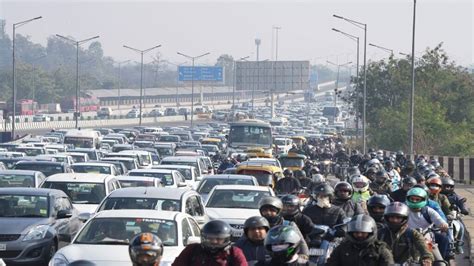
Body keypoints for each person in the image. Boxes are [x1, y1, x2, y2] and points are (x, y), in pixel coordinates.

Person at [326, 214, 394, 266]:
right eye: (356, 232)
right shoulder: (342, 248)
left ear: (371, 232)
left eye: (363, 233)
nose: (359, 235)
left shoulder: (380, 250)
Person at [172, 220, 248, 266]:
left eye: (218, 239)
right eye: (210, 238)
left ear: (226, 239)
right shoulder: (192, 250)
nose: (214, 241)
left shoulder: (234, 252)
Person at [405, 187, 450, 260]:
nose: (414, 201)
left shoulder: (428, 211)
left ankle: (443, 259)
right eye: (412, 199)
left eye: (417, 199)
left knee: (443, 240)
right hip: (406, 237)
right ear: (408, 199)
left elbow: (439, 220)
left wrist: (443, 225)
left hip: (426, 237)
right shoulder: (403, 210)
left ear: (423, 200)